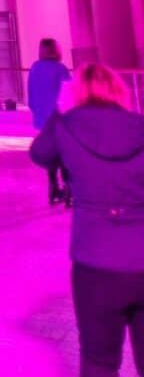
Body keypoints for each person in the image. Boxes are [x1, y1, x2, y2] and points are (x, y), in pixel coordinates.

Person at [30, 63, 144, 377]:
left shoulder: (67, 126)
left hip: (96, 263)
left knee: (99, 362)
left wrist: (59, 112)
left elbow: (39, 153)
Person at [27, 37, 72, 206]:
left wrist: (37, 111)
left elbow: (31, 94)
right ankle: (69, 188)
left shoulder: (35, 69)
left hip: (43, 118)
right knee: (64, 152)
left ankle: (53, 187)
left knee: (51, 151)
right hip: (60, 117)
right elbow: (69, 93)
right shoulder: (60, 70)